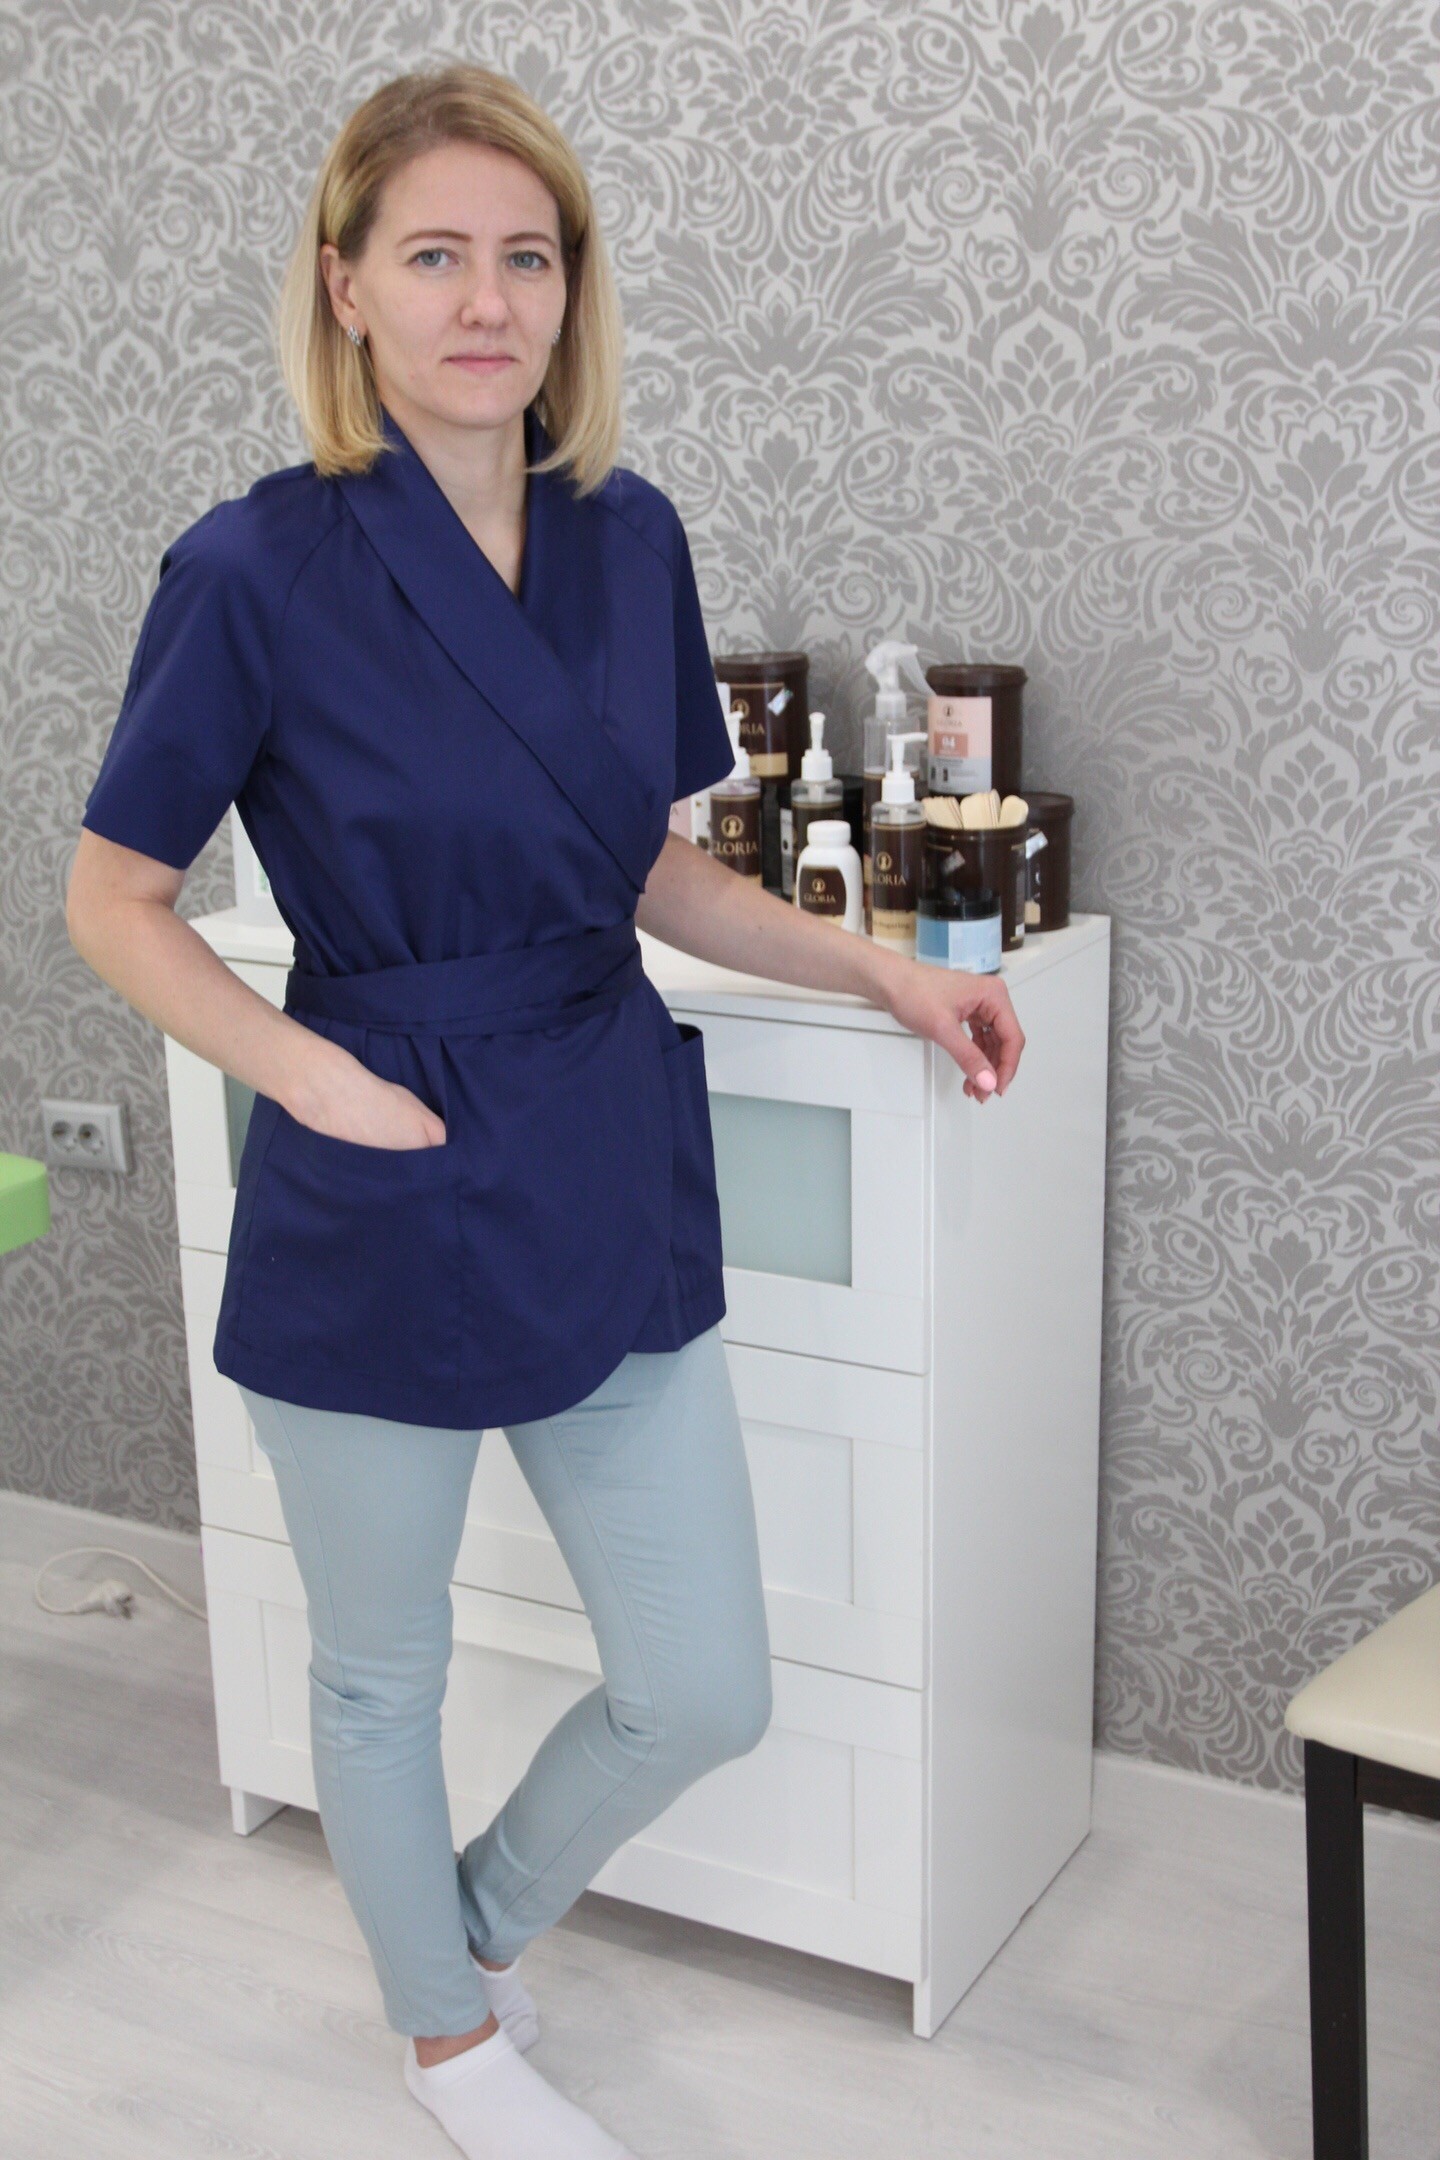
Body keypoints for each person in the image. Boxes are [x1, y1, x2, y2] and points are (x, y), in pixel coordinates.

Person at [66, 61, 1025, 2160]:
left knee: (704, 1683)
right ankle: (447, 2045)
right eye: (434, 255)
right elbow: (109, 897)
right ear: (345, 288)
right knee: (378, 1675)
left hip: (593, 1139)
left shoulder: (627, 535)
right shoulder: (251, 569)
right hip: (379, 1156)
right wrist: (309, 1075)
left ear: (572, 287)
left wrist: (879, 969)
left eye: (526, 254)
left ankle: (469, 1930)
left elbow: (648, 870)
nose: (486, 299)